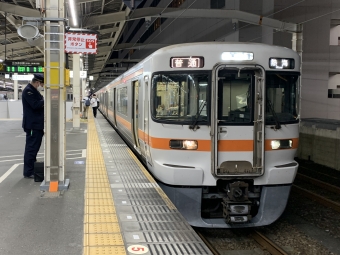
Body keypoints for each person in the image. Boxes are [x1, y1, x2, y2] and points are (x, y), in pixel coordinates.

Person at [22, 73, 44, 179]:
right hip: (32, 125)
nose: (41, 86)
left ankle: (31, 168)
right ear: (37, 82)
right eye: (41, 84)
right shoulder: (28, 91)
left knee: (34, 148)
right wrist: (47, 100)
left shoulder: (34, 91)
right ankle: (28, 171)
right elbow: (35, 105)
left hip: (37, 125)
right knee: (31, 148)